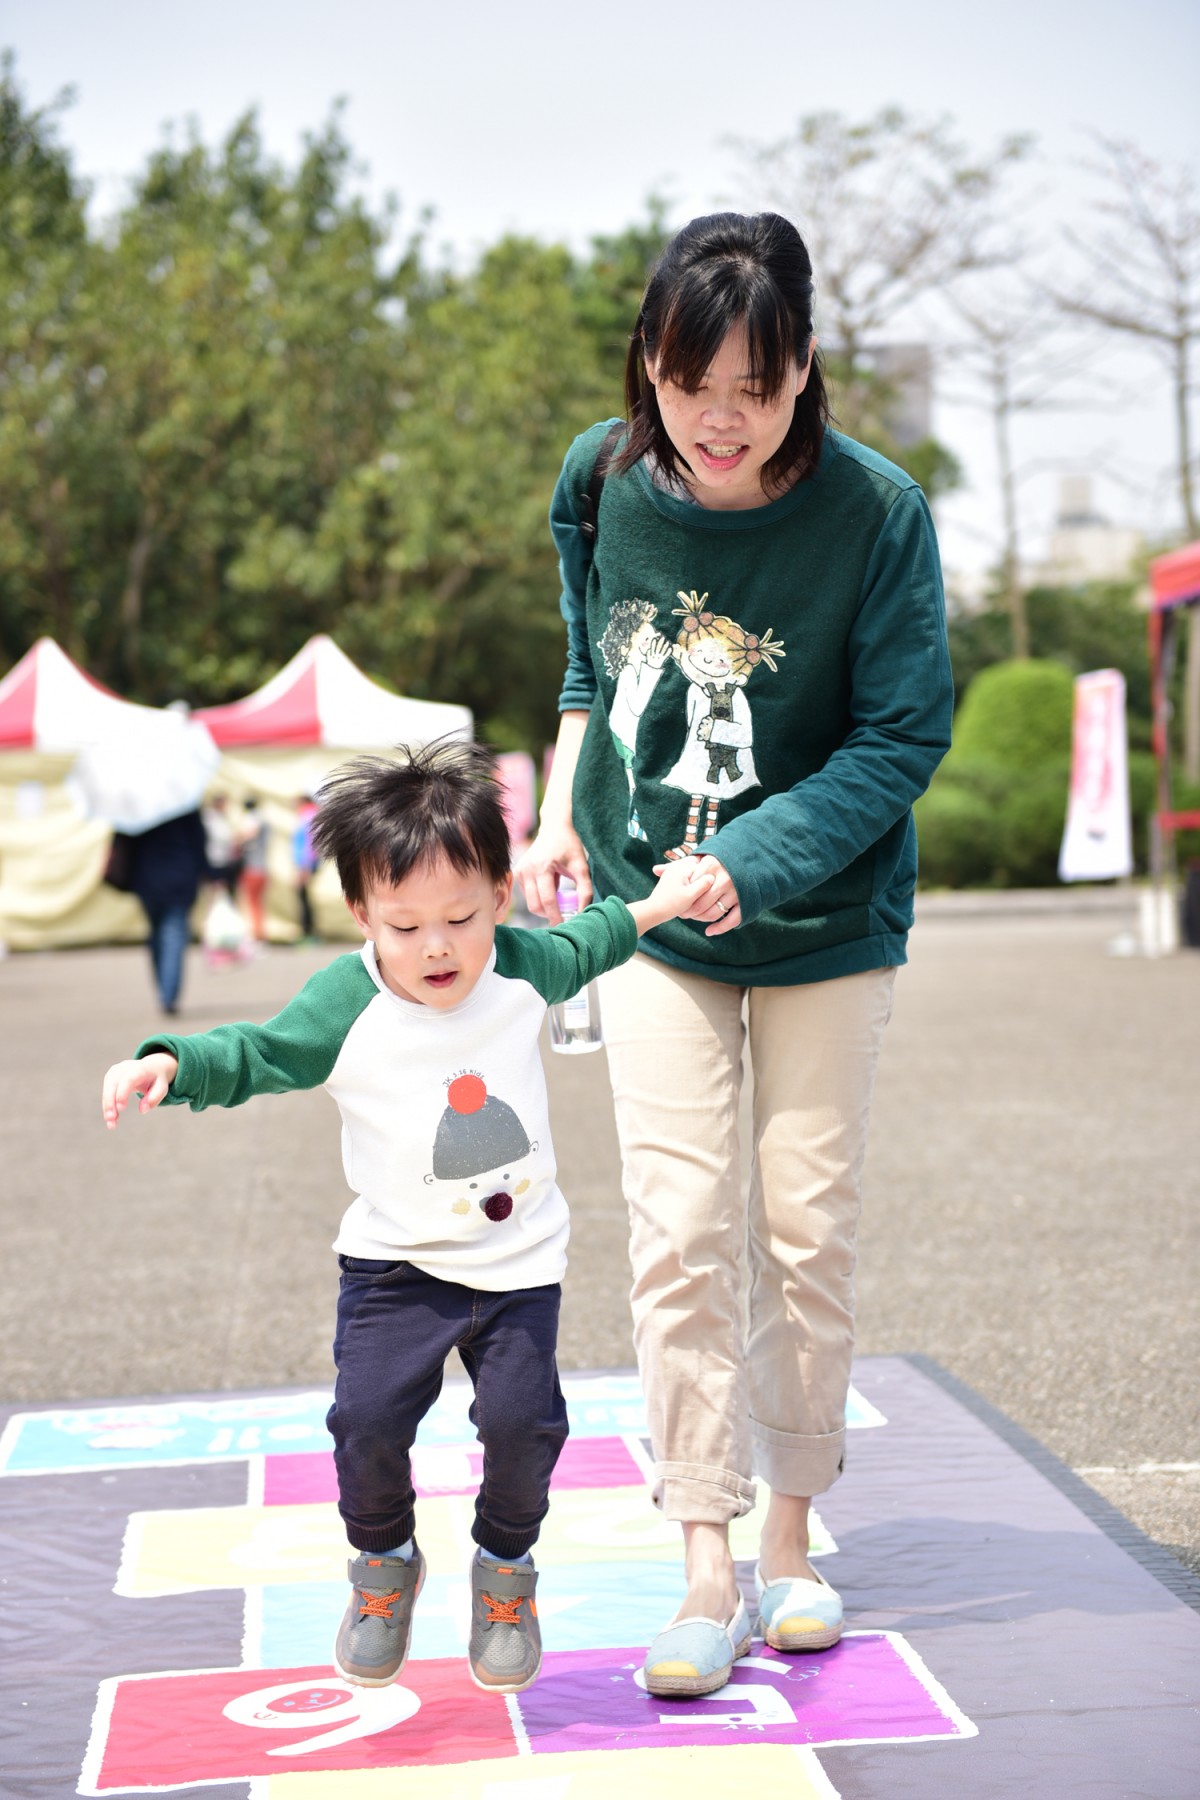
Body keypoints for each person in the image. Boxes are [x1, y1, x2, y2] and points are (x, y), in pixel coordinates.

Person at [517, 212, 954, 1698]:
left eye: (753, 391)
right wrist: (571, 801)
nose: (719, 420)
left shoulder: (878, 511)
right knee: (681, 1228)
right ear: (650, 361)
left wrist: (752, 859)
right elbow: (591, 657)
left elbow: (904, 734)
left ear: (803, 373)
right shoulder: (599, 476)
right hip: (654, 918)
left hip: (825, 924)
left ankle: (790, 1540)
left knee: (802, 1231)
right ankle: (704, 1556)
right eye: (691, 381)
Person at [100, 739, 711, 1695]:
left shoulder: (520, 966)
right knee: (366, 1425)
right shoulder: (348, 1001)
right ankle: (384, 1563)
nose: (438, 948)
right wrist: (172, 1064)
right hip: (394, 1272)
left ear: (500, 897)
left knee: (525, 1429)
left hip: (517, 1270)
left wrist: (665, 901)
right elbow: (260, 1053)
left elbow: (598, 935)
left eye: (461, 919)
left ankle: (506, 1571)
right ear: (362, 916)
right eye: (406, 925)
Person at [125, 808, 209, 1016]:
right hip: (180, 878)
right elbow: (199, 840)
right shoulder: (184, 803)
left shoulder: (136, 807)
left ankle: (164, 990)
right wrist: (210, 873)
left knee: (156, 934)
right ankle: (168, 996)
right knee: (173, 936)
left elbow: (126, 842)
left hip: (146, 878)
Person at [237, 796, 270, 941]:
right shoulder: (263, 819)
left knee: (253, 903)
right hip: (261, 867)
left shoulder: (253, 819)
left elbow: (248, 835)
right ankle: (258, 934)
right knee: (257, 903)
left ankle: (257, 936)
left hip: (253, 867)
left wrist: (238, 840)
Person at [292, 795, 321, 941]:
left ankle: (308, 933)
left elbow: (311, 844)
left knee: (304, 898)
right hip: (304, 864)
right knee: (303, 897)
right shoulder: (309, 815)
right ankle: (308, 932)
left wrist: (306, 867)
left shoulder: (309, 816)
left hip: (305, 864)